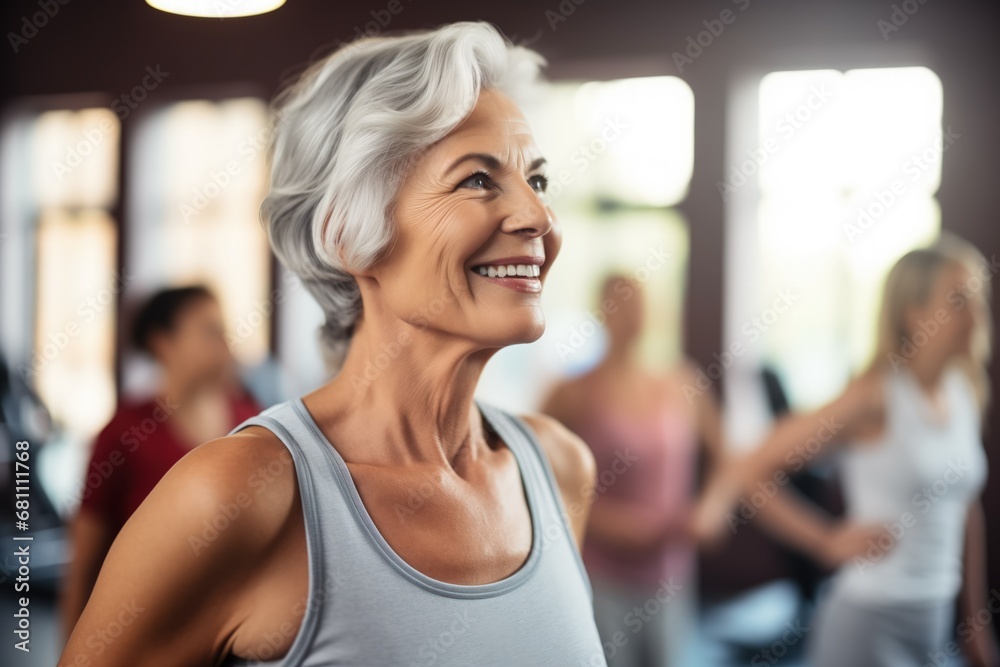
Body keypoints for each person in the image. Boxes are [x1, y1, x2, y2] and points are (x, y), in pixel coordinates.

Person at [59, 22, 608, 667]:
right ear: (351, 234)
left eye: (536, 181)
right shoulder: (238, 495)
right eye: (478, 181)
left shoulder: (560, 468)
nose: (540, 218)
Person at [694, 234, 999, 667]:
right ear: (914, 313)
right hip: (868, 622)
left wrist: (976, 624)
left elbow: (964, 509)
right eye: (959, 301)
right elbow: (747, 469)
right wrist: (823, 540)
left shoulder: (963, 392)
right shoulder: (874, 396)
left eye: (978, 299)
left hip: (934, 620)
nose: (977, 316)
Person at [542, 273, 725, 667]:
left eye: (638, 303)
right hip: (602, 573)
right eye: (620, 304)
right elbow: (536, 476)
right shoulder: (571, 392)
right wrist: (605, 522)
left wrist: (710, 510)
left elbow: (728, 463)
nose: (631, 314)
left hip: (670, 576)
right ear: (601, 312)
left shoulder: (682, 382)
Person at [59, 285, 260, 641]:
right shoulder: (124, 433)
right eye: (210, 331)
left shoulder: (255, 423)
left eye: (224, 331)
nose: (226, 343)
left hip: (238, 637)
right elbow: (85, 559)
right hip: (146, 636)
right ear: (162, 343)